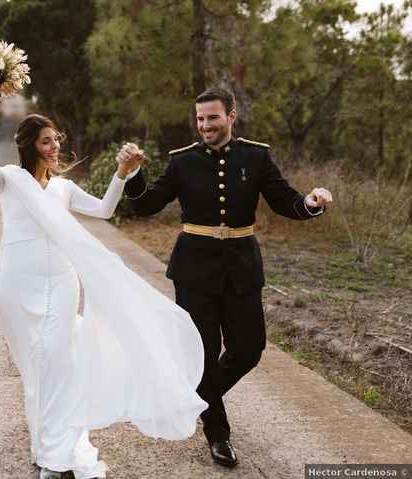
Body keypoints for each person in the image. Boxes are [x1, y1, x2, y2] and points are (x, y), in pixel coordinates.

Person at [0, 75, 208, 479]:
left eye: (56, 139)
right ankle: (44, 444)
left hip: (61, 286)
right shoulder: (9, 180)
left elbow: (102, 210)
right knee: (35, 369)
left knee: (60, 366)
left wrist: (121, 173)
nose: (55, 146)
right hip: (14, 286)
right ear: (30, 147)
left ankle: (54, 457)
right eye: (47, 141)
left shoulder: (62, 188)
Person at [117, 87, 333, 469]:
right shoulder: (182, 162)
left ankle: (191, 400)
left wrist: (311, 204)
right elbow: (146, 205)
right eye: (200, 119)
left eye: (212, 118)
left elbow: (286, 202)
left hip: (242, 268)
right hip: (194, 271)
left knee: (249, 349)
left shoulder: (256, 156)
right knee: (200, 355)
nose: (205, 126)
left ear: (232, 117)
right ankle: (218, 434)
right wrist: (133, 175)